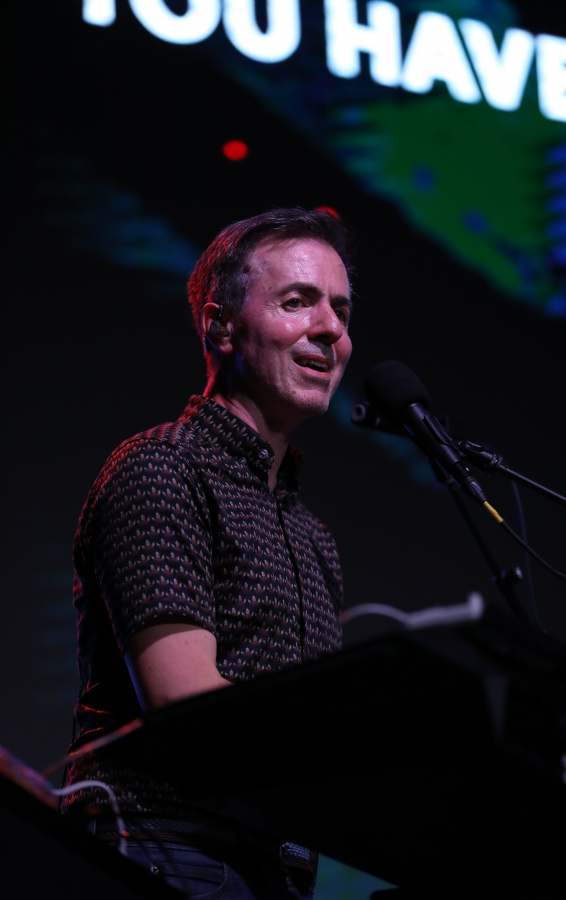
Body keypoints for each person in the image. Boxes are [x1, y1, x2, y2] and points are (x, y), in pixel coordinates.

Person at [61, 207, 353, 898]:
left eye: (341, 310)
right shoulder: (162, 468)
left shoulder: (312, 536)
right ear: (220, 325)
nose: (330, 330)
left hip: (275, 872)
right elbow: (185, 702)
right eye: (298, 302)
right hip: (167, 851)